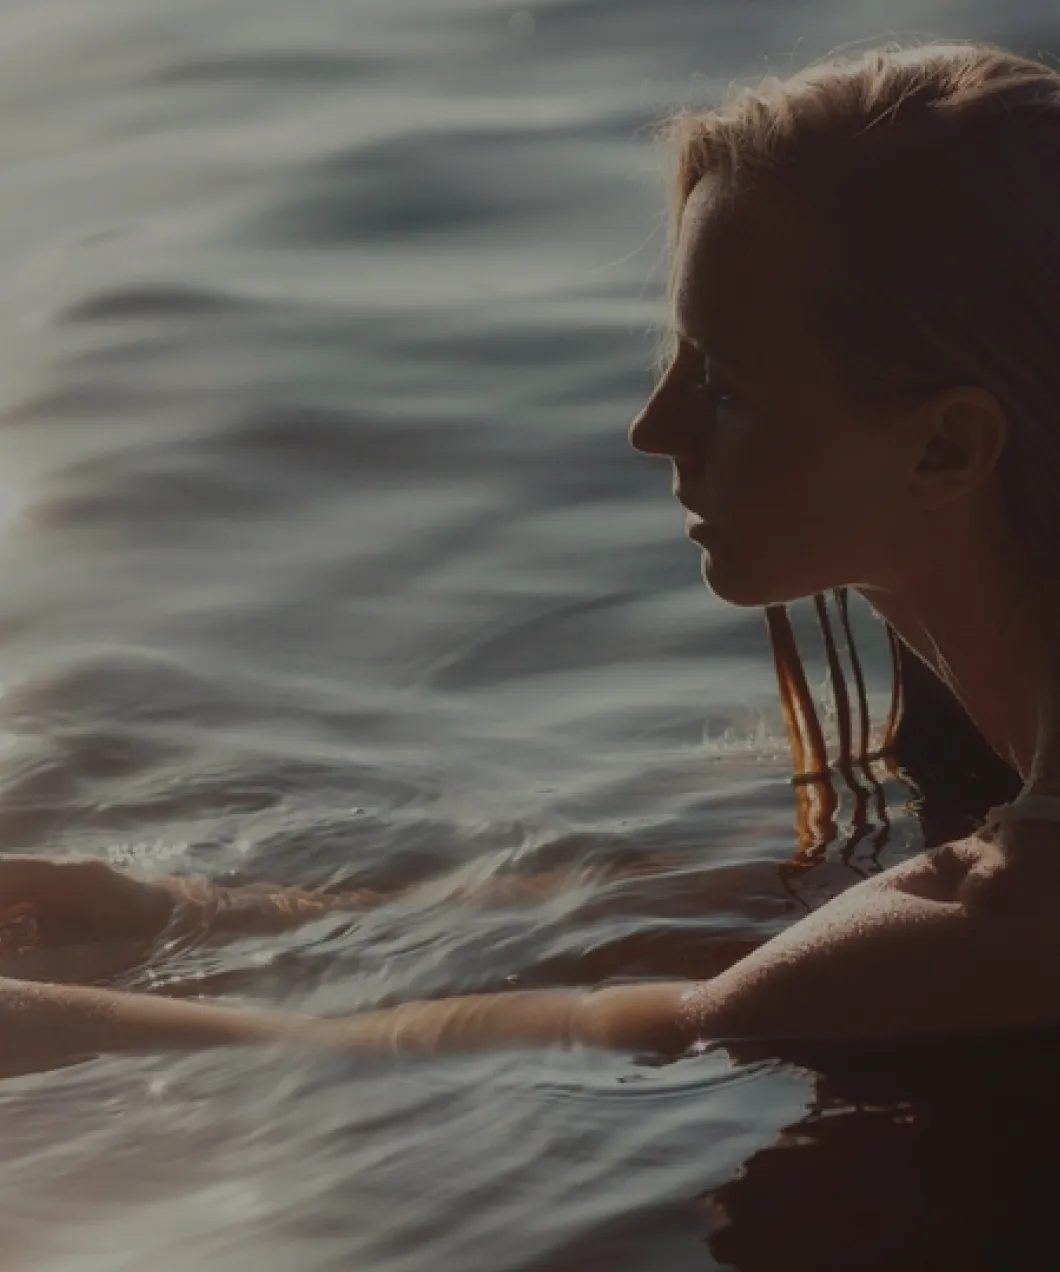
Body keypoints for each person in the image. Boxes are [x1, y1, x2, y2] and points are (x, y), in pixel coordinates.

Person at [4, 39, 1060, 1075]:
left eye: (725, 388)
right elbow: (773, 921)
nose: (653, 428)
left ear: (945, 446)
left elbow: (651, 1027)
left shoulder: (1006, 916)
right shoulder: (984, 720)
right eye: (678, 359)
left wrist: (67, 1016)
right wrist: (196, 914)